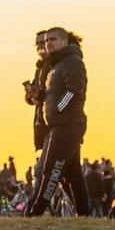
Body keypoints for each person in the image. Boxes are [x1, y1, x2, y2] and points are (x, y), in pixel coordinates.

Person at [27, 26, 90, 216]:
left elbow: (74, 90)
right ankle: (84, 213)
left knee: (51, 168)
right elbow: (51, 94)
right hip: (58, 124)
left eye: (52, 40)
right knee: (72, 172)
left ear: (64, 41)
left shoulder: (72, 61)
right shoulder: (53, 67)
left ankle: (36, 211)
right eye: (46, 41)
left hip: (68, 125)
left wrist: (59, 110)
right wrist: (39, 95)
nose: (48, 44)